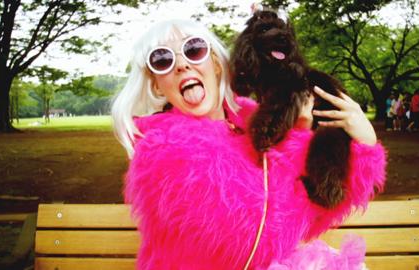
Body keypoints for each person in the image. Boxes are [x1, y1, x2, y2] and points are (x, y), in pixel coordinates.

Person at [112, 18, 386, 269]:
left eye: (194, 50)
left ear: (216, 64)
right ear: (157, 85)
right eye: (163, 60)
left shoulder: (251, 121)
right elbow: (257, 242)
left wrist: (364, 141)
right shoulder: (163, 150)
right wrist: (299, 133)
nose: (182, 64)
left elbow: (320, 208)